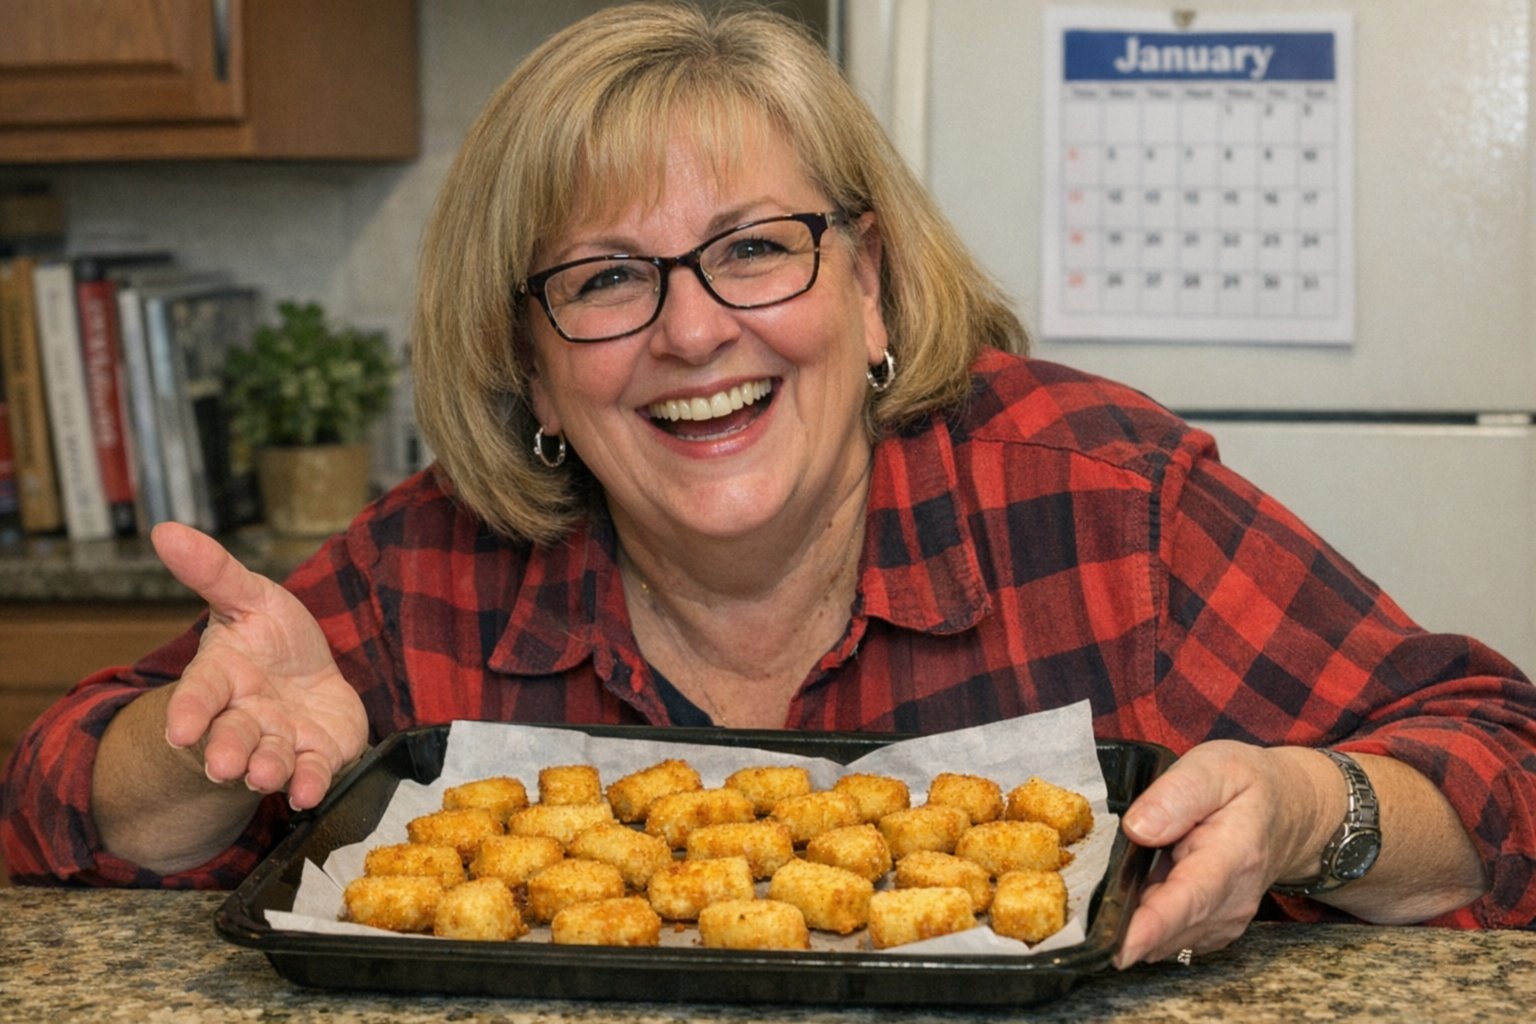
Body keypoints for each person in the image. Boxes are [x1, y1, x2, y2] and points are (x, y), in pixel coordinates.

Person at [3, 1, 1534, 970]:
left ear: (869, 289)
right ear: (530, 365)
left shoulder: (1098, 506)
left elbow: (1503, 764)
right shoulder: (432, 568)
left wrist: (1301, 808)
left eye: (752, 247)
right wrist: (205, 759)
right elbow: (42, 808)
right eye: (604, 278)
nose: (690, 329)